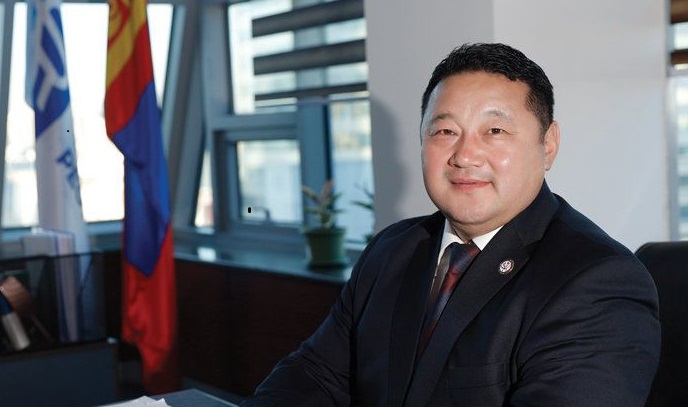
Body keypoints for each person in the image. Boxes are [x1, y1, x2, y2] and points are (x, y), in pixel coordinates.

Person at [240, 43, 661, 407]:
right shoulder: (392, 249)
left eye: (494, 130)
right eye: (444, 131)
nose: (464, 155)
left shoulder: (598, 283)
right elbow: (317, 374)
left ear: (547, 145)